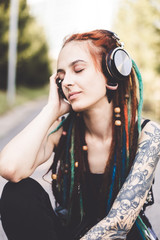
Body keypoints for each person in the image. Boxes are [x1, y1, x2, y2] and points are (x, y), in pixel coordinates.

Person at [0, 29, 159, 240]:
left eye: (78, 69)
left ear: (112, 73)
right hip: (72, 233)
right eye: (61, 77)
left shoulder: (146, 134)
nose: (66, 82)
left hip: (124, 237)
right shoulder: (63, 131)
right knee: (17, 194)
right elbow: (10, 169)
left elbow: (118, 224)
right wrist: (51, 110)